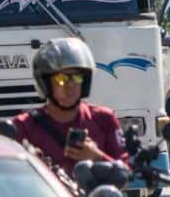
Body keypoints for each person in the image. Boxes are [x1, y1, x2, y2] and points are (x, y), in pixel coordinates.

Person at [10, 37, 127, 175]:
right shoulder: (24, 126)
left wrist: (97, 157)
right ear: (45, 83)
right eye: (61, 78)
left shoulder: (104, 119)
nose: (70, 85)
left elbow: (126, 174)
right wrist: (30, 164)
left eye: (77, 77)